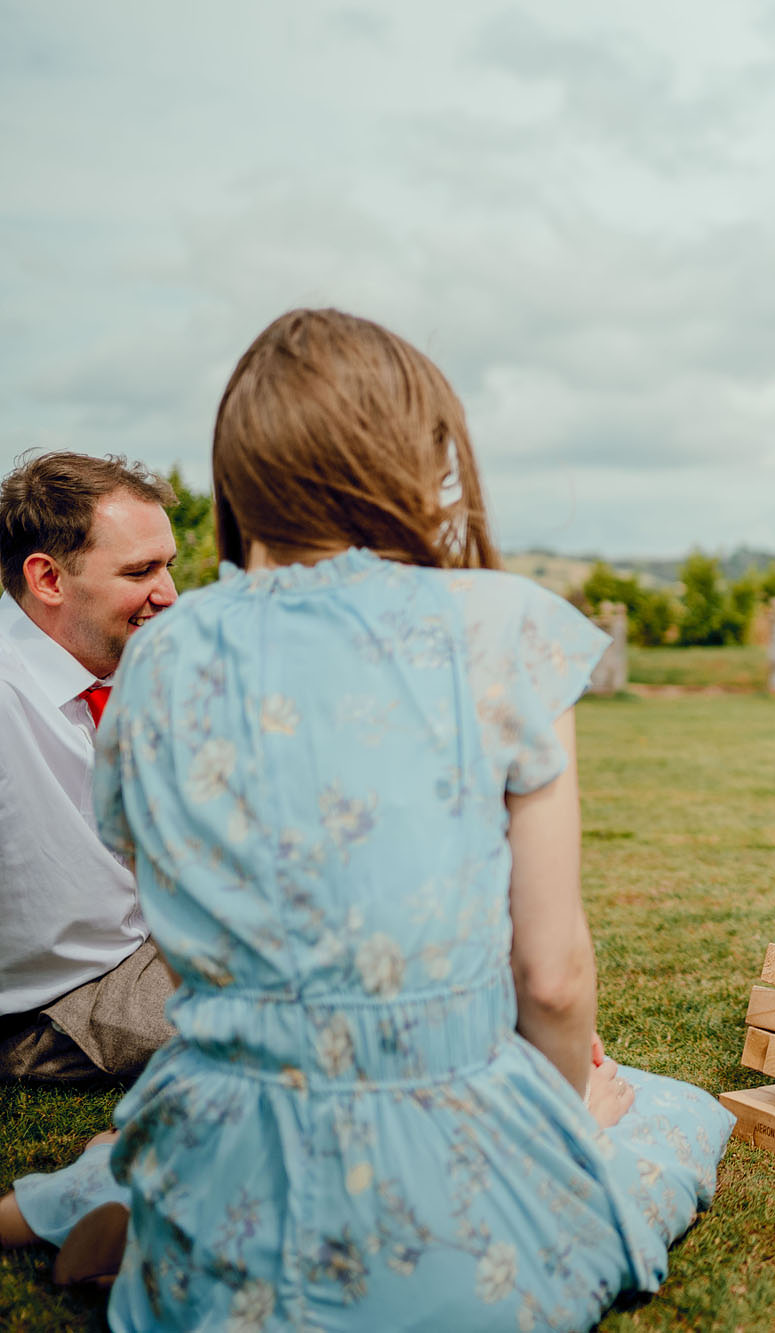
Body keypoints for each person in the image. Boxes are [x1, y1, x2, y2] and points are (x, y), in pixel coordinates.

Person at [0, 308, 731, 1329]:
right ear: (414, 455)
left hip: (226, 1149)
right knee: (667, 1112)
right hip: (435, 1192)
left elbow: (148, 879)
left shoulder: (162, 653)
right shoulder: (502, 628)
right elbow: (553, 978)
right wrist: (570, 1124)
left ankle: (130, 1194)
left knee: (204, 1112)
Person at [0, 452, 180, 1082]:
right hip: (70, 998)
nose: (169, 594)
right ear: (48, 579)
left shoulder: (121, 669)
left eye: (169, 566)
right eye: (141, 571)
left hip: (160, 935)